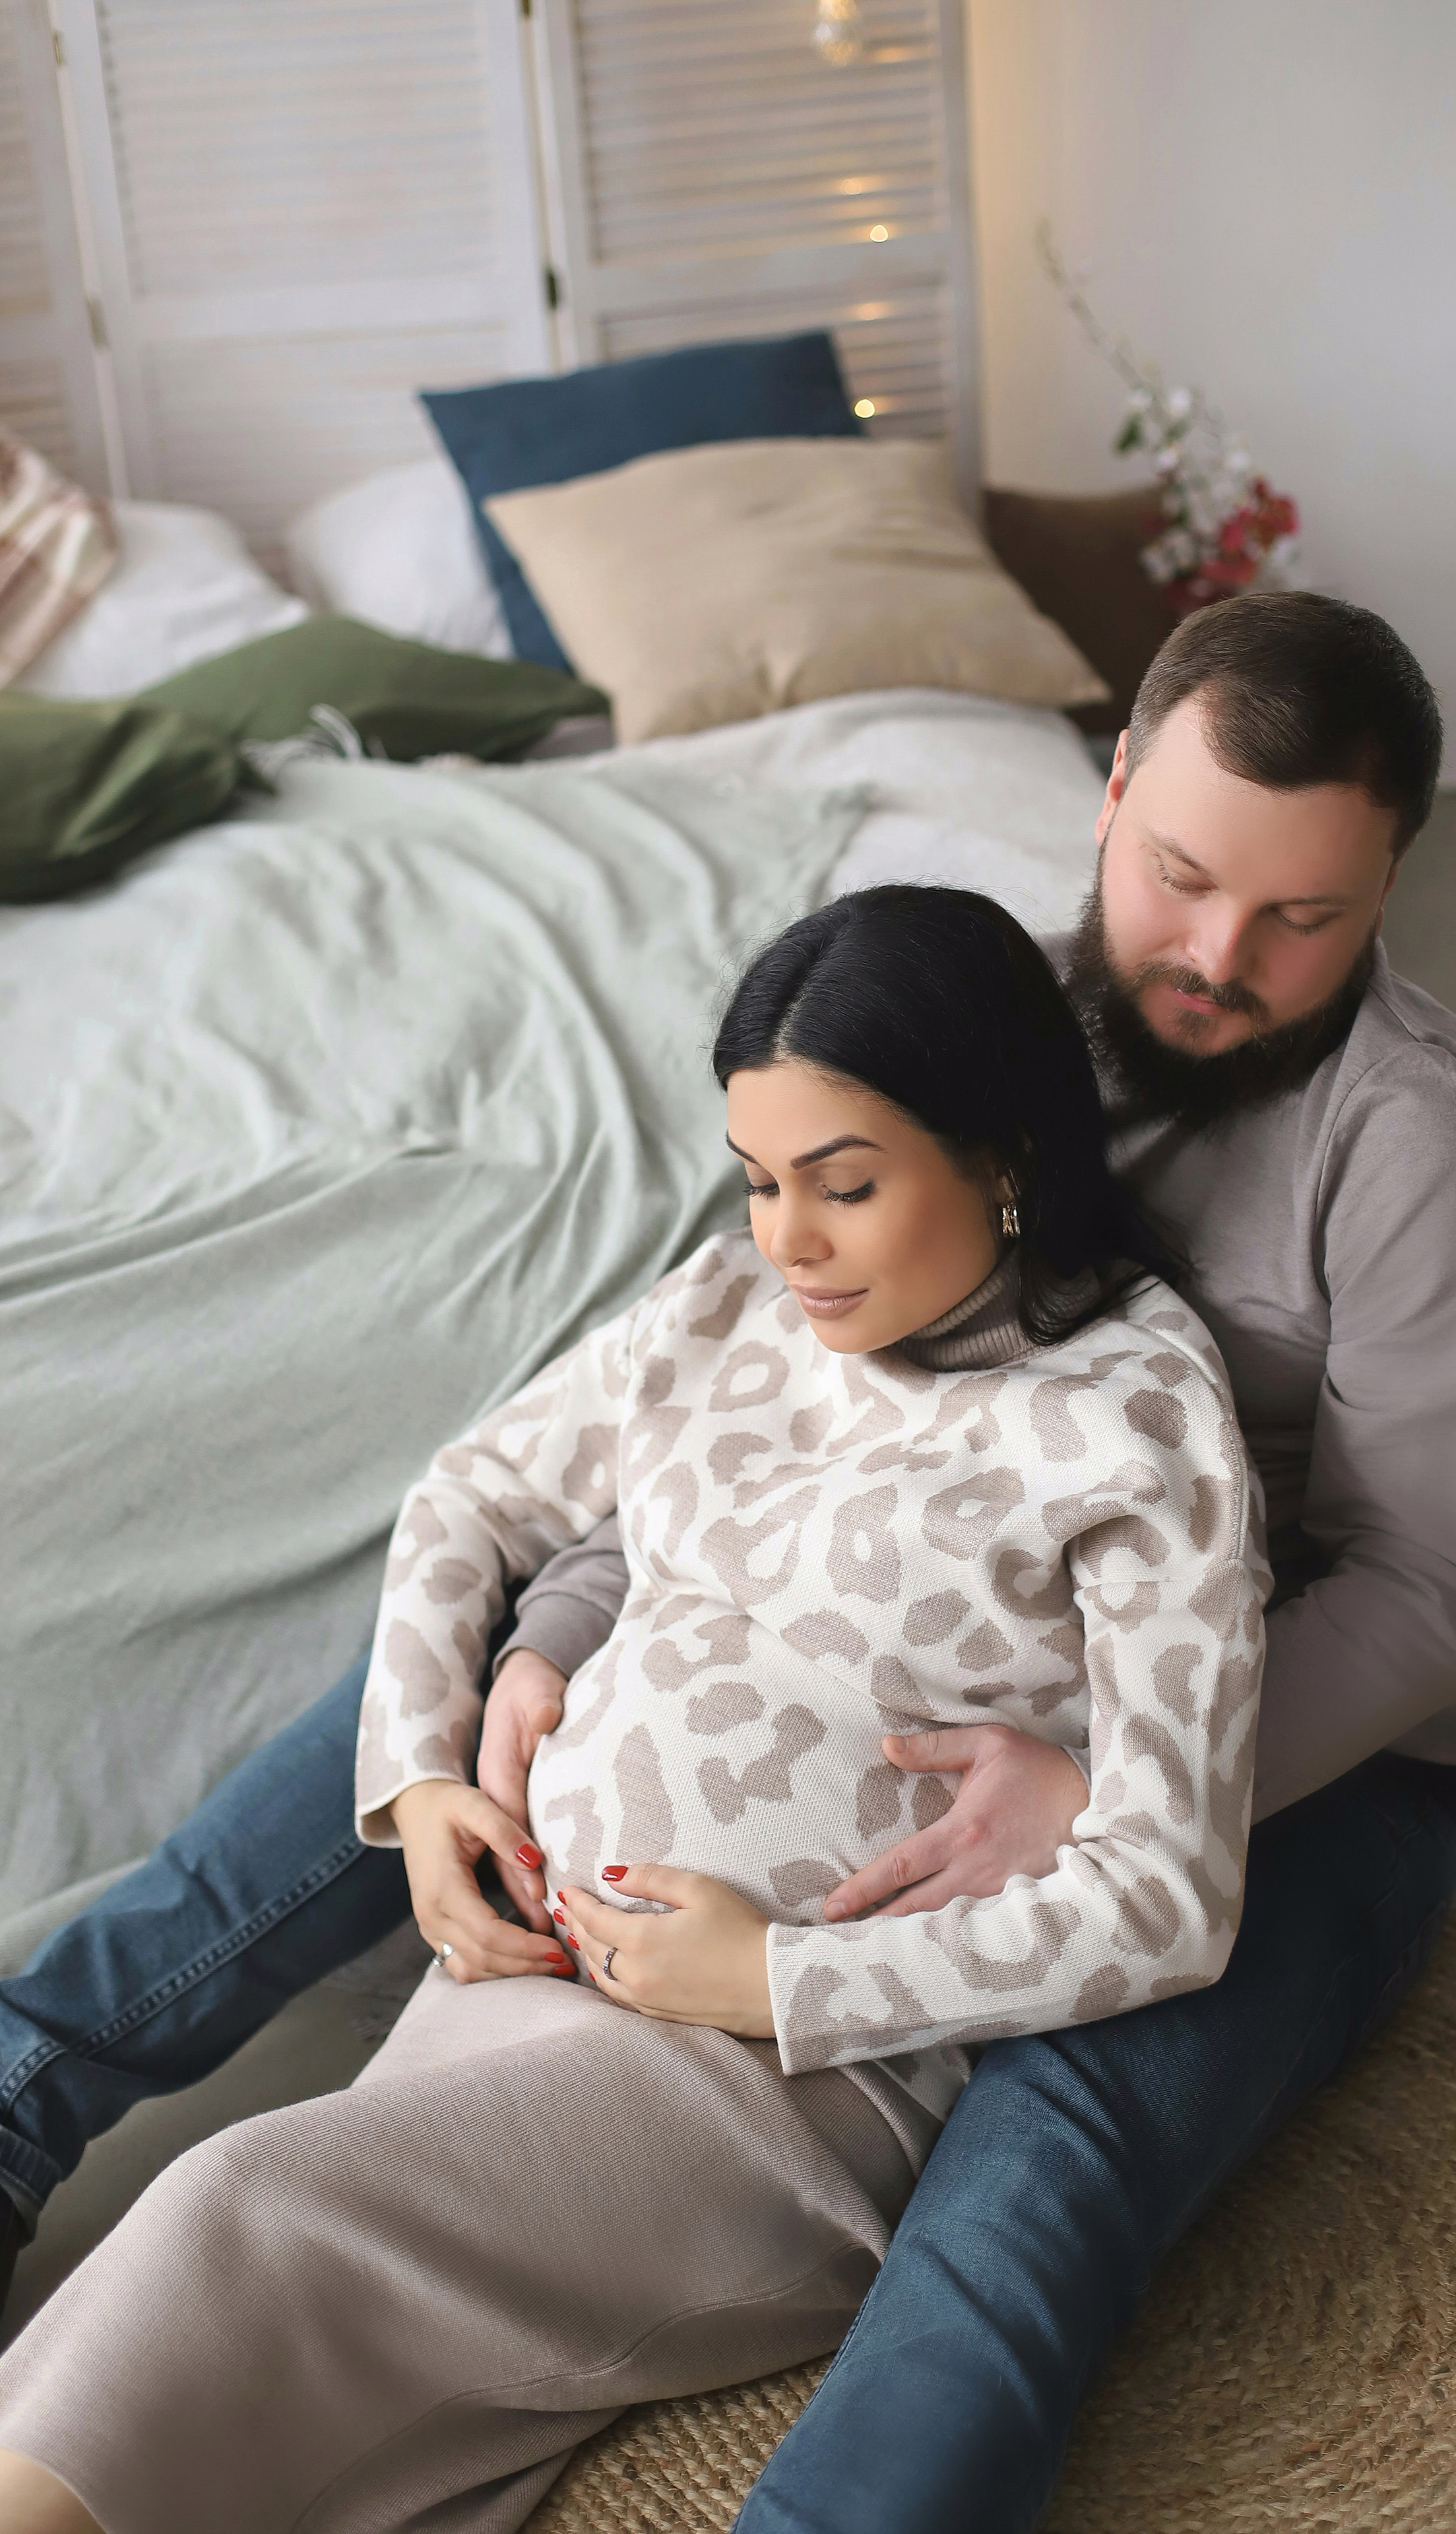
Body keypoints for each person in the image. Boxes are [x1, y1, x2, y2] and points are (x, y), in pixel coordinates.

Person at [0, 589, 1456, 2534]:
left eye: (1300, 917)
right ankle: (23, 2087)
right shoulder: (957, 1021)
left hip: (1287, 1754)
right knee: (417, 1713)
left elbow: (1437, 1597)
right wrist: (562, 1633)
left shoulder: (1417, 1140)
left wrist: (1105, 1790)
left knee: (1037, 2172)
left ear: (1392, 879)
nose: (1216, 960)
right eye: (1179, 879)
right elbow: (743, 1385)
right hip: (891, 1615)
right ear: (1111, 795)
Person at [0, 888, 1267, 2533]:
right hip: (524, 1976)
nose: (786, 1240)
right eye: (757, 1180)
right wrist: (422, 1779)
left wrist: (780, 1981)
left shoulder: (1134, 1415)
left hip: (774, 2084)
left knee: (232, 2206)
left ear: (1004, 1156)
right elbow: (471, 1497)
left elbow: (1167, 1895)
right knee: (327, 2412)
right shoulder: (722, 1310)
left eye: (845, 1185)